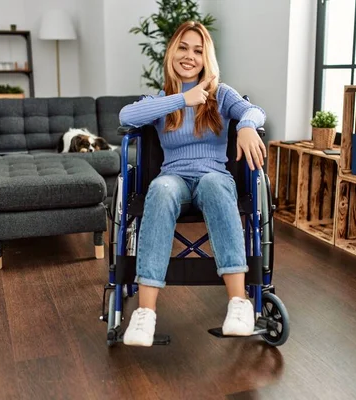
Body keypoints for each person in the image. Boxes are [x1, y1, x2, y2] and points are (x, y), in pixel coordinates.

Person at [118, 20, 266, 347]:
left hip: (214, 176)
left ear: (206, 58)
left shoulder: (220, 95)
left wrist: (246, 127)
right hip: (174, 178)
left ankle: (240, 305)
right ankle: (145, 315)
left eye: (198, 50)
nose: (190, 56)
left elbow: (255, 111)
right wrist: (182, 100)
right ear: (172, 52)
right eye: (183, 48)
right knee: (160, 188)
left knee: (214, 186)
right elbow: (126, 117)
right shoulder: (161, 101)